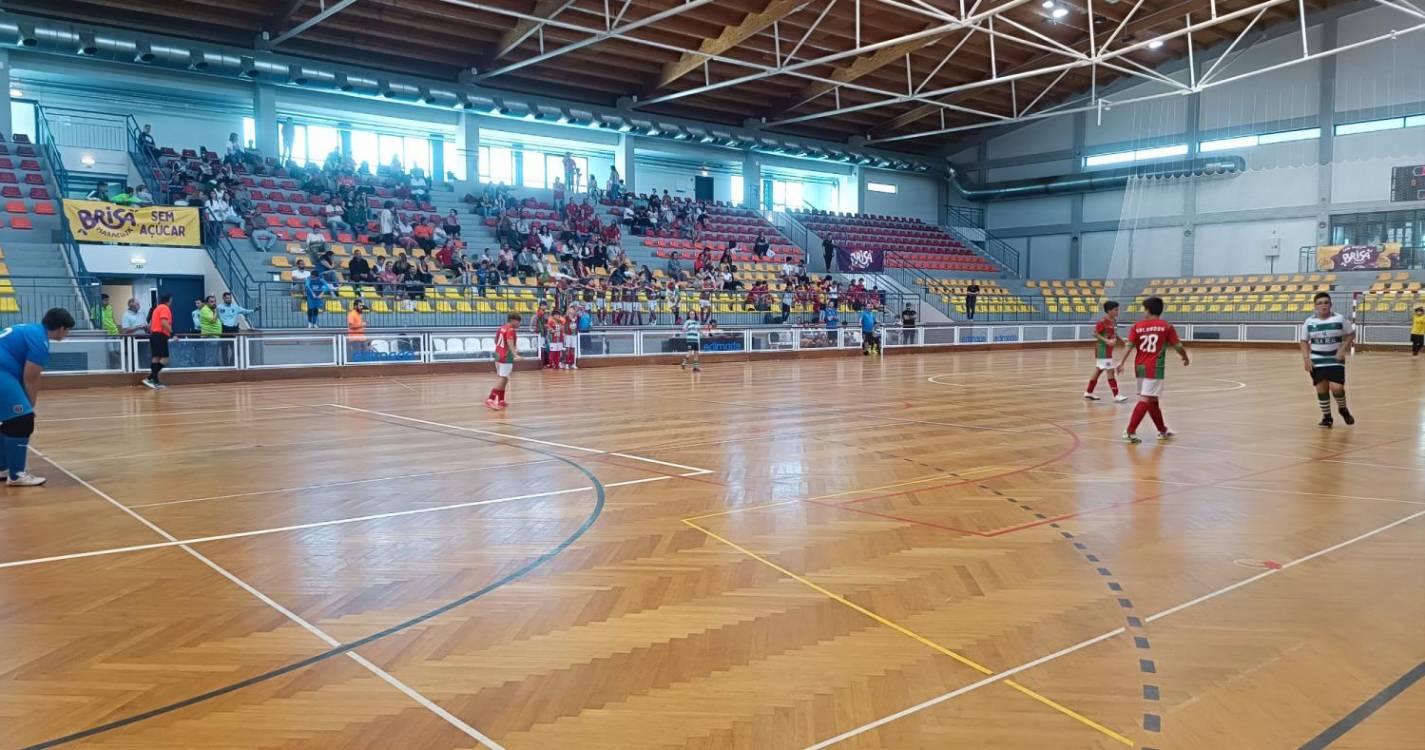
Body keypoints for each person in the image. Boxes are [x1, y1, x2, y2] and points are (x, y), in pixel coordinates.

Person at [0, 308, 75, 486]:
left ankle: (3, 468)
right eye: (68, 330)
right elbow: (31, 377)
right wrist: (30, 405)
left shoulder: (30, 330)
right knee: (22, 420)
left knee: (8, 420)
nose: (67, 334)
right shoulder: (40, 341)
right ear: (61, 328)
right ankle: (17, 475)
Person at [1115, 296, 1190, 444]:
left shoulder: (1137, 326)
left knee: (1152, 400)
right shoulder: (1166, 326)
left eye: (1144, 309)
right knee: (1146, 399)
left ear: (1148, 310)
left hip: (1140, 367)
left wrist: (1121, 362)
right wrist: (1185, 357)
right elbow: (1178, 346)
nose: (1144, 312)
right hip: (1155, 367)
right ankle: (1129, 431)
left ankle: (1162, 430)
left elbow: (1129, 346)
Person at [1300, 291, 1355, 428]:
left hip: (1335, 358)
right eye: (1319, 303)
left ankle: (1343, 409)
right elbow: (1303, 341)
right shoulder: (1309, 321)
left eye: (1326, 302)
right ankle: (1327, 417)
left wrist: (1343, 349)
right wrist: (1306, 359)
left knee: (1337, 387)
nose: (1323, 305)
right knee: (1322, 389)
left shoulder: (1339, 319)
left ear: (1331, 304)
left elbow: (1351, 334)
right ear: (1315, 306)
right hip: (1317, 360)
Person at [1085, 300, 1128, 403]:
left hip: (1108, 350)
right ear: (1109, 311)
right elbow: (1095, 334)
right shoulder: (1102, 321)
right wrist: (1107, 341)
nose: (1117, 312)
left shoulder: (1113, 321)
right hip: (1103, 350)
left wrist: (1121, 341)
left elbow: (1114, 334)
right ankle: (1116, 395)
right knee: (1110, 371)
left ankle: (1089, 392)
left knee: (1098, 370)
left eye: (1118, 310)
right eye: (1115, 310)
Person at [486, 313, 521, 410]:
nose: (519, 324)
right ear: (513, 320)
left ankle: (501, 401)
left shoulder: (502, 328)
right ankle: (490, 399)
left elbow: (496, 340)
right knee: (503, 378)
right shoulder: (510, 329)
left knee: (504, 378)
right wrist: (515, 354)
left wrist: (500, 349)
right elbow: (509, 342)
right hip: (506, 356)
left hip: (498, 354)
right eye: (518, 321)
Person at [142, 293, 173, 389]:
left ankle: (152, 379)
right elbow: (164, 323)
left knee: (157, 357)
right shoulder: (164, 308)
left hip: (155, 335)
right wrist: (173, 333)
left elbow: (150, 325)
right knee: (164, 358)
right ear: (169, 300)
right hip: (160, 335)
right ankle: (152, 379)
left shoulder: (157, 309)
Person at [216, 292, 255, 367]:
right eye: (227, 298)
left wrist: (253, 310)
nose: (229, 299)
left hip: (233, 330)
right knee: (224, 350)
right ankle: (226, 366)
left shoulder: (235, 307)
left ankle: (231, 364)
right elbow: (215, 317)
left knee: (236, 349)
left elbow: (245, 311)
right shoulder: (219, 307)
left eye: (230, 298)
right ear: (223, 298)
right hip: (224, 330)